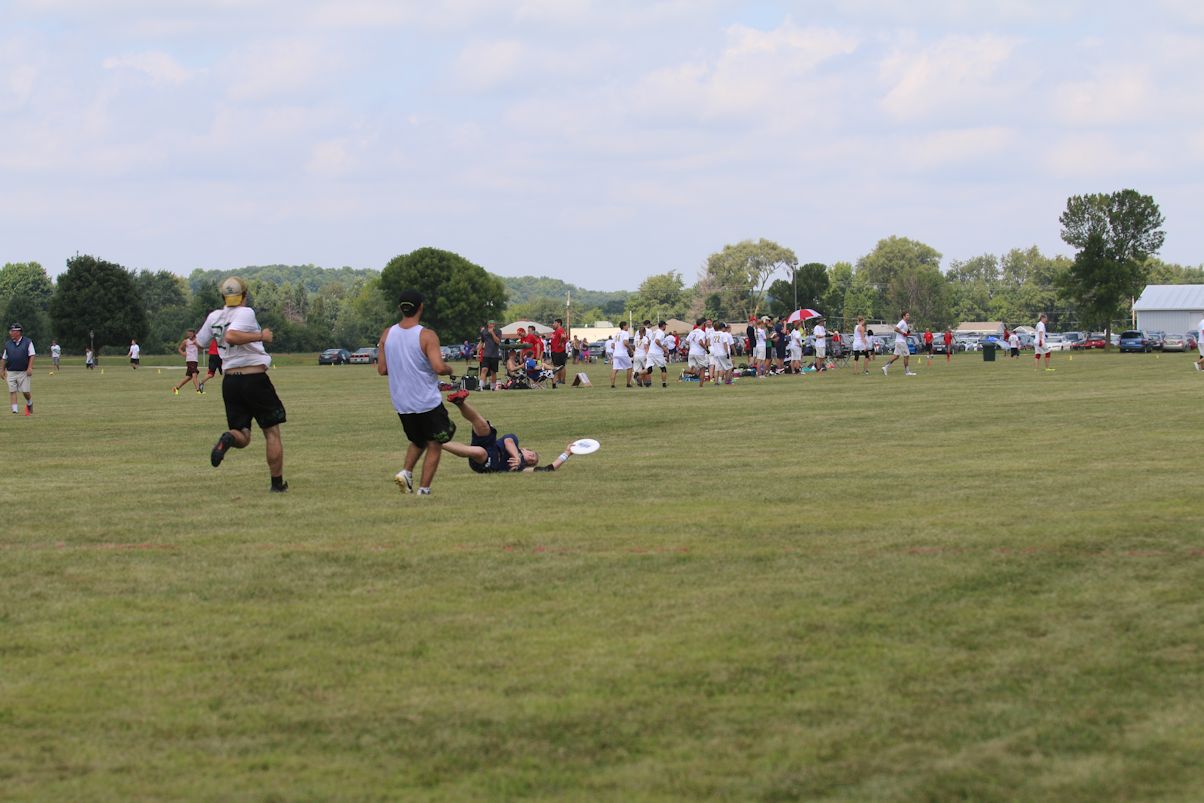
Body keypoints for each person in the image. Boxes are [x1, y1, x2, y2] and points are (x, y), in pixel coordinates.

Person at [196, 276, 289, 493]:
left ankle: (229, 438)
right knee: (271, 433)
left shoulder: (214, 316)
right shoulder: (245, 312)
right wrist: (261, 336)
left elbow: (199, 342)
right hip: (253, 379)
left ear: (223, 297)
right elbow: (231, 336)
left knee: (242, 435)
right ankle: (277, 485)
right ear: (244, 295)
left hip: (230, 381)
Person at [376, 289, 457, 495]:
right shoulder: (427, 335)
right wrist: (449, 369)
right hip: (425, 400)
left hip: (402, 402)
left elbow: (382, 369)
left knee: (418, 440)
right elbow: (438, 367)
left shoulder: (387, 334)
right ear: (421, 307)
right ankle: (424, 489)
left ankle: (406, 472)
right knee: (436, 442)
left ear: (400, 308)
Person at [442, 391, 574, 473]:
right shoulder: (514, 441)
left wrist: (567, 453)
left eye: (532, 461)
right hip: (491, 445)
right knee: (484, 426)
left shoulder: (520, 468)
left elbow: (547, 469)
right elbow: (508, 441)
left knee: (480, 452)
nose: (531, 458)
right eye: (532, 454)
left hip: (487, 463)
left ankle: (438, 442)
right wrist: (517, 457)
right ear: (524, 449)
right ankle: (460, 403)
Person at [2, 323, 35, 415]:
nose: (11, 333)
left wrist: (30, 367)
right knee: (12, 390)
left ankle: (29, 403)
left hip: (23, 371)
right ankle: (15, 411)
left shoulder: (28, 342)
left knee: (25, 391)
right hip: (11, 371)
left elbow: (32, 355)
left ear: (18, 332)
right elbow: (4, 358)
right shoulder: (8, 344)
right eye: (11, 331)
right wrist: (2, 370)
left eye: (12, 331)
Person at [882, 311, 916, 376]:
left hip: (899, 341)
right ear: (903, 316)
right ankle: (907, 372)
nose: (908, 316)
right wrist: (903, 333)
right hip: (901, 342)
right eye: (907, 315)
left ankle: (885, 367)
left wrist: (907, 332)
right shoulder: (902, 322)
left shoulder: (905, 323)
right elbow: (896, 329)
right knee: (906, 356)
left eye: (908, 315)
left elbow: (905, 331)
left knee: (896, 356)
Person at [172, 329, 202, 394]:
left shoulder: (197, 341)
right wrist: (183, 353)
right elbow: (179, 349)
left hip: (195, 360)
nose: (189, 335)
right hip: (190, 360)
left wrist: (196, 344)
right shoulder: (186, 341)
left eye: (191, 334)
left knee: (189, 377)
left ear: (194, 334)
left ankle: (176, 388)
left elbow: (200, 349)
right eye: (188, 334)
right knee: (194, 375)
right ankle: (198, 391)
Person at [685, 317, 709, 386]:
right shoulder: (702, 333)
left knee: (693, 370)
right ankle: (701, 385)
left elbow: (686, 342)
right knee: (702, 369)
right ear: (703, 323)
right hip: (699, 353)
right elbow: (700, 342)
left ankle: (685, 371)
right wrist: (706, 349)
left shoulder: (692, 332)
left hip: (691, 352)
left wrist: (692, 344)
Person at [645, 320, 669, 387]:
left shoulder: (654, 332)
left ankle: (637, 374)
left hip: (650, 352)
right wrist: (663, 348)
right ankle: (664, 384)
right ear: (663, 326)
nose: (665, 327)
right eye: (665, 325)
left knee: (649, 370)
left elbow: (649, 341)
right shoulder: (661, 333)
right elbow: (657, 341)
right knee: (663, 368)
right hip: (657, 353)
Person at [609, 321, 633, 388]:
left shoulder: (617, 334)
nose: (628, 327)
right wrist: (630, 349)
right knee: (629, 367)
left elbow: (612, 345)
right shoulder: (625, 333)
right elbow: (625, 343)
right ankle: (628, 384)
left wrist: (617, 349)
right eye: (627, 325)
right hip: (623, 354)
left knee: (615, 369)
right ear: (624, 326)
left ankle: (612, 385)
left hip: (616, 354)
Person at [479, 319, 501, 391]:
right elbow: (482, 342)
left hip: (494, 355)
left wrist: (492, 333)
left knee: (493, 372)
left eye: (493, 324)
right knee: (484, 369)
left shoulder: (498, 331)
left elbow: (498, 341)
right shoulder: (484, 332)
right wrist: (478, 353)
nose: (492, 325)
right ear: (488, 324)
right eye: (491, 324)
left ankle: (493, 387)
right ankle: (480, 386)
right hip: (486, 354)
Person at [549, 318, 568, 387]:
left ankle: (562, 380)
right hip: (554, 351)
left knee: (561, 366)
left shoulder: (560, 330)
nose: (553, 324)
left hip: (559, 351)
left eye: (554, 323)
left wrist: (560, 343)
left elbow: (563, 337)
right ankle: (558, 380)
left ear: (559, 323)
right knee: (556, 366)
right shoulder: (556, 331)